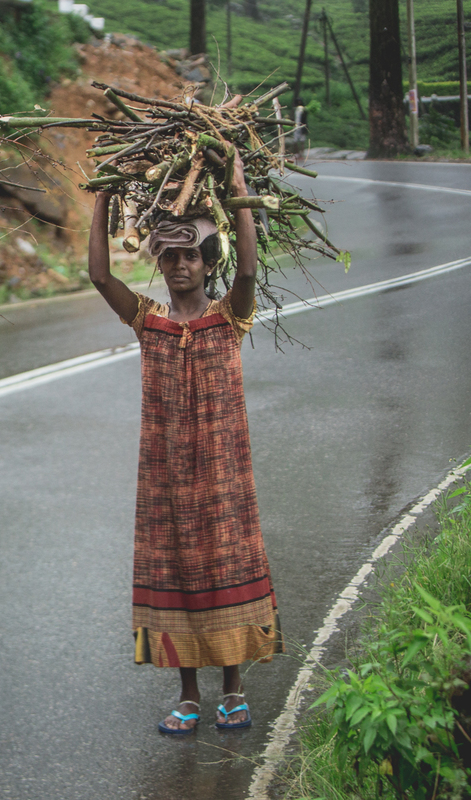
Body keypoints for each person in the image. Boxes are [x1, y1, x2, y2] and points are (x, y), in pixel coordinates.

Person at [87, 150, 283, 735]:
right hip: (168, 472)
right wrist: (103, 198)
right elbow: (100, 276)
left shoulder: (231, 317)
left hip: (223, 471)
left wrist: (239, 186)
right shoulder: (147, 321)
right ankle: (189, 694)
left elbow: (249, 272)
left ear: (207, 263)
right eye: (169, 256)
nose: (178, 265)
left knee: (224, 563)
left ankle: (233, 687)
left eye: (189, 256)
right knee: (178, 570)